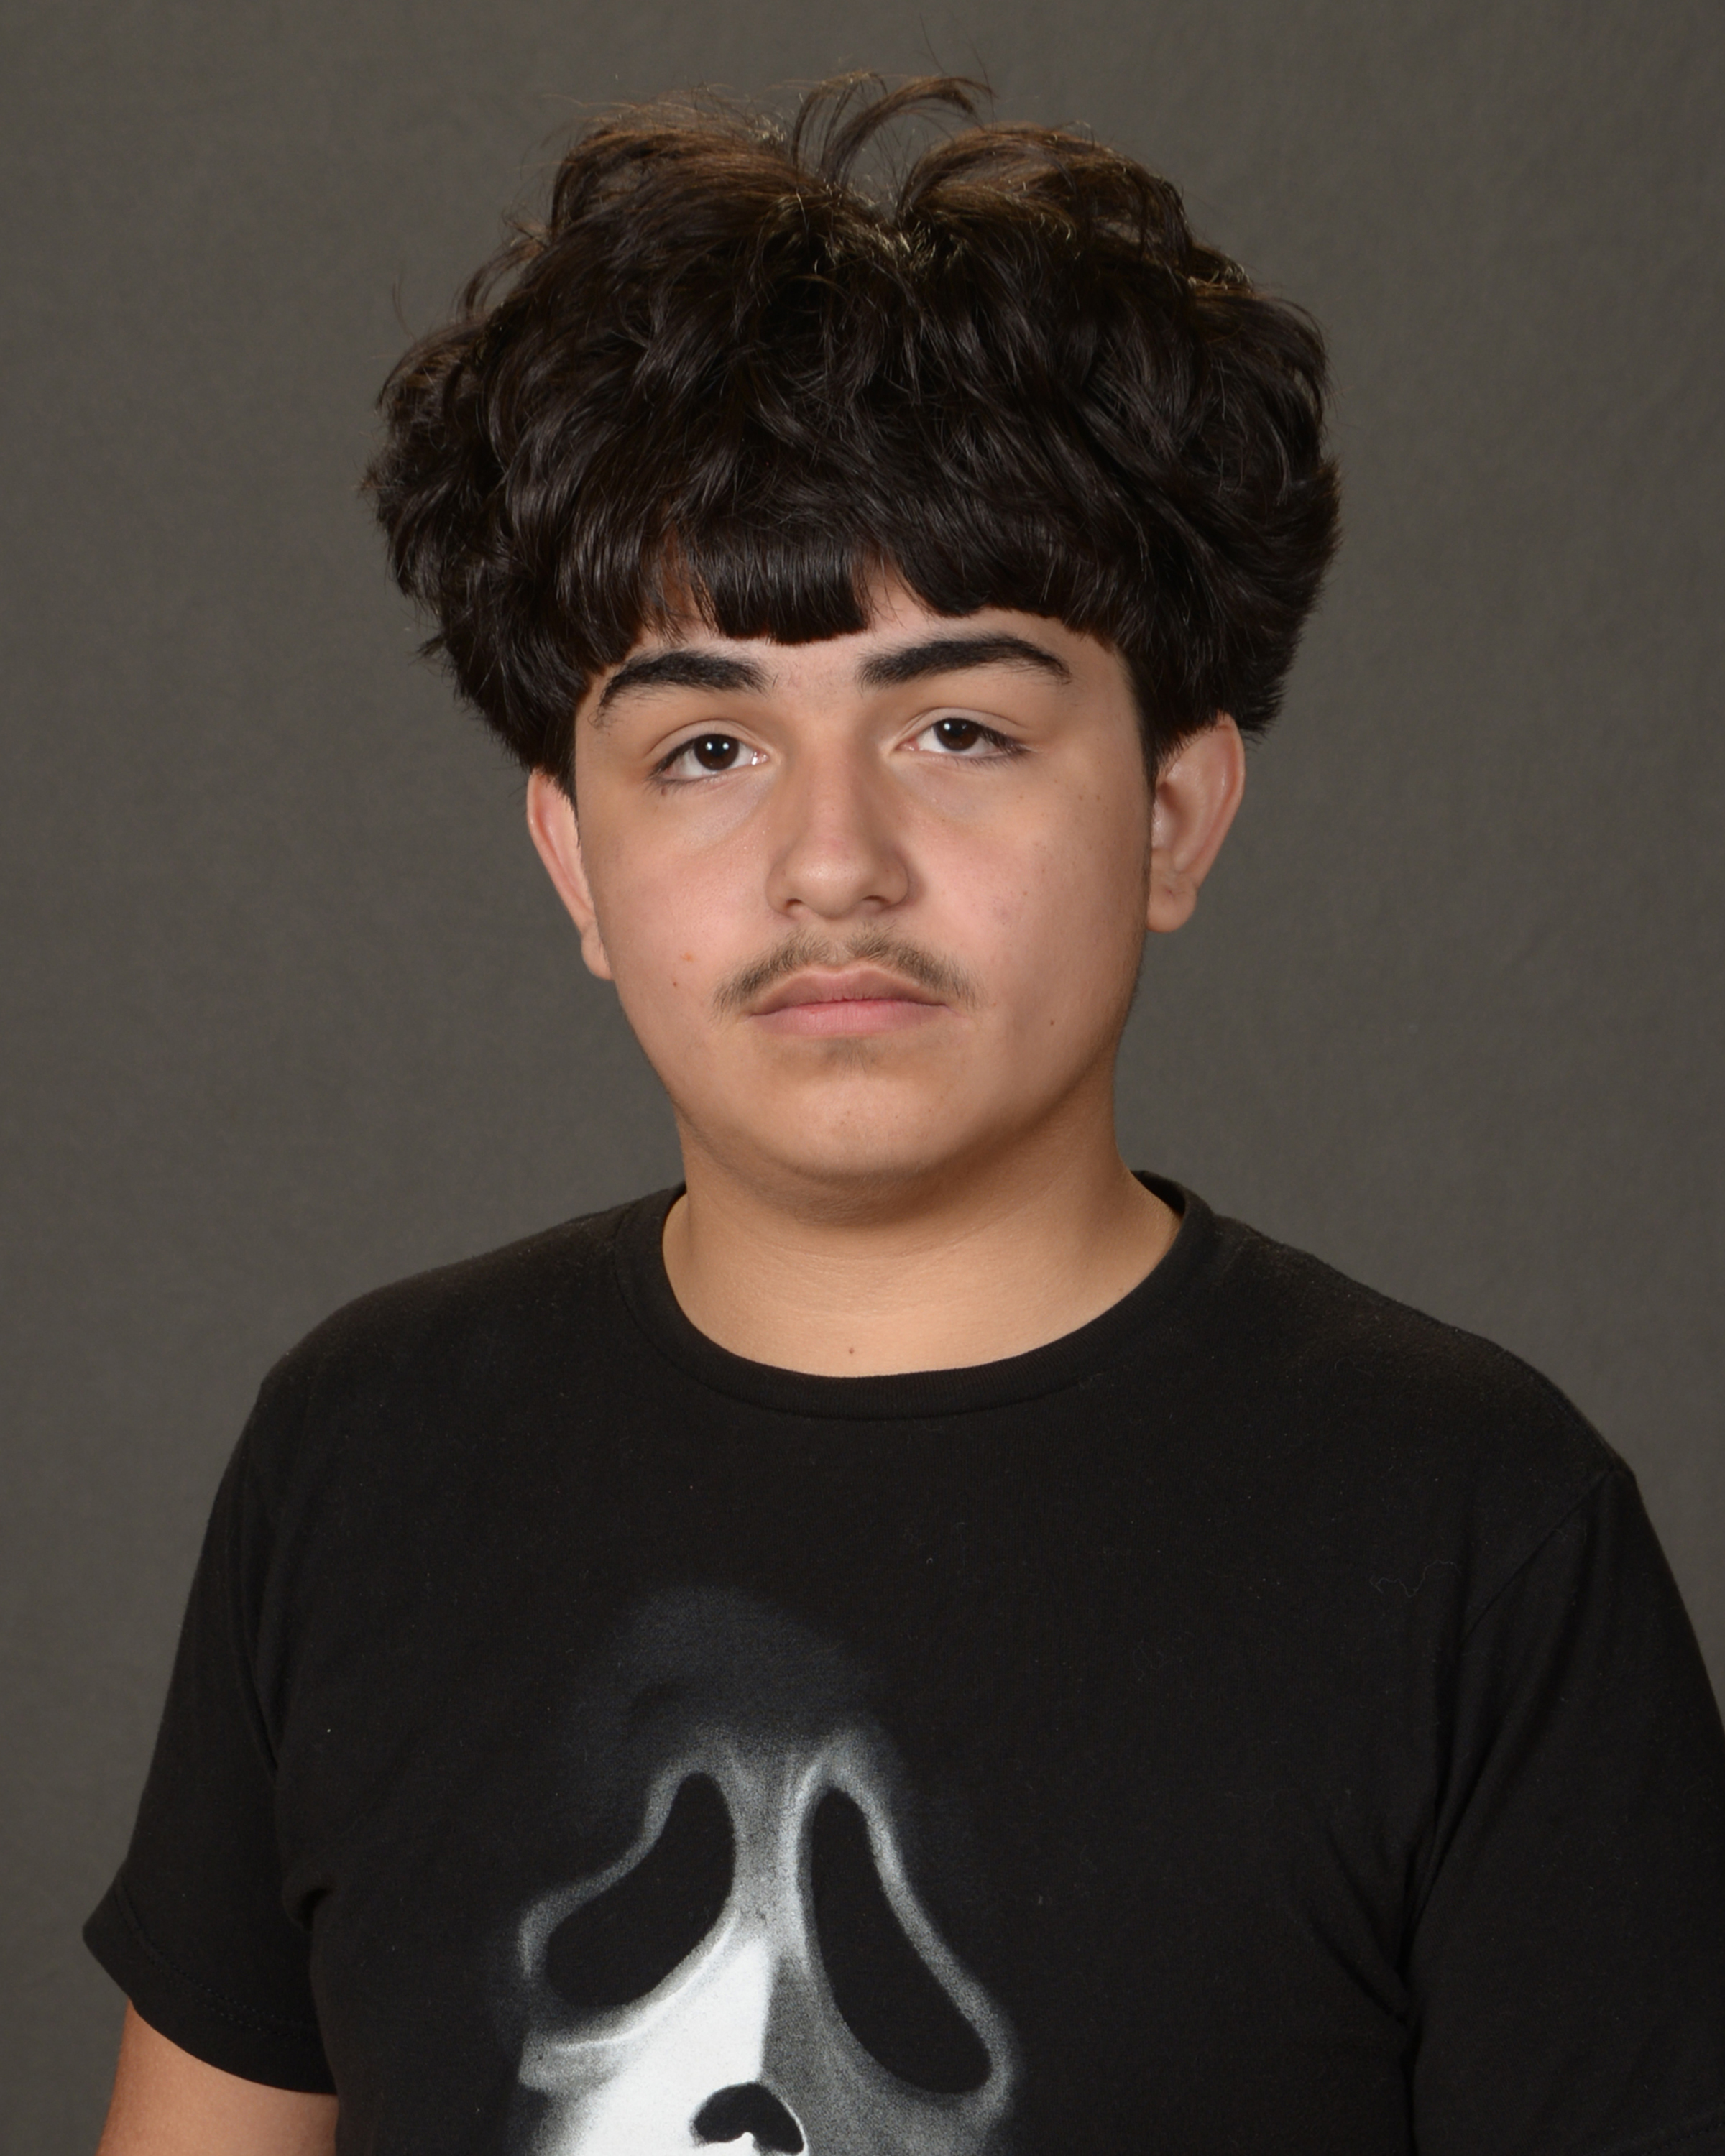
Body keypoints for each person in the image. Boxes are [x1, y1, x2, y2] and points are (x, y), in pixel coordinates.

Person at [87, 75, 1725, 2156]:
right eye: (706, 751)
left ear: (1174, 811)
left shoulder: (1479, 1539)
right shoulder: (363, 1458)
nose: (832, 864)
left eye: (959, 727)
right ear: (574, 859)